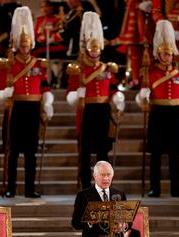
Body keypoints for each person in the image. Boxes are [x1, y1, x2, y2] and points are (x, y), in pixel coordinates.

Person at [0, 6, 54, 198]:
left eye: (27, 45)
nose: (25, 48)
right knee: (13, 152)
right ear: (17, 46)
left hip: (33, 109)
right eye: (22, 46)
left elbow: (45, 85)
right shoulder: (8, 64)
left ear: (31, 45)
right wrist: (6, 93)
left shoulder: (38, 64)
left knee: (31, 152)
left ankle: (29, 188)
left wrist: (47, 101)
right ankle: (11, 187)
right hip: (16, 109)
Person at [135, 20, 179, 197]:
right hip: (158, 114)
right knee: (155, 155)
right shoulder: (150, 73)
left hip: (175, 115)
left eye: (169, 54)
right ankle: (155, 188)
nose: (167, 57)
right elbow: (144, 93)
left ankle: (176, 188)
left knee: (174, 154)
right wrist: (143, 95)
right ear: (158, 54)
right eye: (164, 54)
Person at [66, 12, 125, 190]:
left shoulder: (106, 69)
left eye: (97, 49)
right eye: (92, 49)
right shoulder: (79, 69)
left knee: (102, 152)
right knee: (84, 153)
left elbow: (113, 87)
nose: (94, 52)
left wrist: (118, 97)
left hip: (103, 111)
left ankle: (103, 185)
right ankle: (85, 186)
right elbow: (70, 91)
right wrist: (77, 95)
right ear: (86, 50)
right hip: (87, 111)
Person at [71, 160, 127, 237]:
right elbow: (75, 223)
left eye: (108, 175)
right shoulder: (82, 196)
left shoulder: (120, 194)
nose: (106, 178)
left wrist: (124, 225)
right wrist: (89, 222)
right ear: (95, 176)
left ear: (112, 176)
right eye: (103, 175)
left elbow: (128, 219)